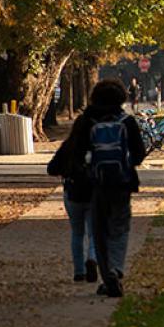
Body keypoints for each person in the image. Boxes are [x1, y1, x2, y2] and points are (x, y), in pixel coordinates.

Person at [53, 78, 145, 298]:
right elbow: (139, 154)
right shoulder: (127, 122)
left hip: (96, 186)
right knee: (120, 229)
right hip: (122, 185)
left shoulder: (86, 121)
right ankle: (116, 269)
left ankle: (107, 275)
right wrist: (126, 165)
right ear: (122, 97)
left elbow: (75, 152)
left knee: (99, 231)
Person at [46, 135, 98, 284]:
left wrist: (66, 170)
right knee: (93, 233)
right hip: (93, 194)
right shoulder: (97, 146)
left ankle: (79, 271)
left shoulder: (68, 146)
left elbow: (51, 169)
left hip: (72, 193)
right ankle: (92, 258)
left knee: (77, 233)